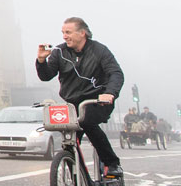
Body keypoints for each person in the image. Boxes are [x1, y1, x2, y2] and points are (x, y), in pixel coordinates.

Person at [36, 17, 124, 177]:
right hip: (72, 104)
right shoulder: (59, 52)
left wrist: (110, 93)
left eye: (68, 32)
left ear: (82, 33)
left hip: (97, 101)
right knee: (68, 140)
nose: (64, 36)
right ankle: (80, 184)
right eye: (63, 33)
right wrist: (41, 61)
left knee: (87, 121)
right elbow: (46, 76)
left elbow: (115, 74)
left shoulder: (100, 50)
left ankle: (112, 164)